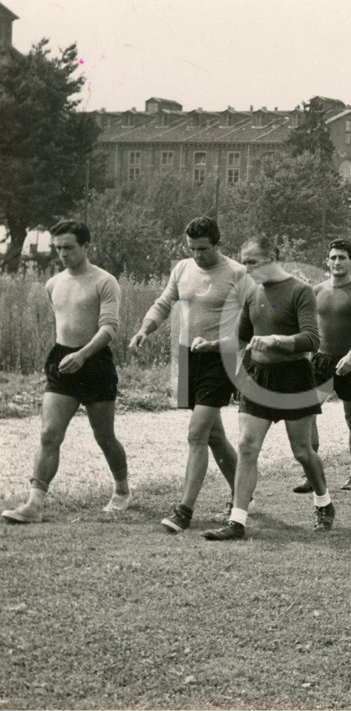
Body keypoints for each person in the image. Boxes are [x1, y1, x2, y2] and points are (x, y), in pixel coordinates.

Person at [202, 236, 332, 540]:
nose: (246, 268)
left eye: (252, 261)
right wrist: (210, 345)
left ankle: (324, 502)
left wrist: (278, 341)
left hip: (295, 379)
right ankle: (237, 521)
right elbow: (242, 338)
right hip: (256, 377)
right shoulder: (251, 293)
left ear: (273, 256)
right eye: (244, 262)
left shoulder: (301, 290)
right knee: (247, 446)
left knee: (302, 451)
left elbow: (312, 339)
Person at [130, 216, 255, 533]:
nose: (197, 255)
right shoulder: (182, 269)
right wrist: (145, 329)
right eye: (192, 248)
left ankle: (183, 511)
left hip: (220, 359)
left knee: (196, 433)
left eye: (203, 249)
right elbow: (164, 302)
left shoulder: (238, 274)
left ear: (217, 243)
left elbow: (254, 320)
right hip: (188, 357)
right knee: (213, 436)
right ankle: (244, 496)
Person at [2, 221, 132, 524]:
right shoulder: (53, 283)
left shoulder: (105, 281)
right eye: (58, 248)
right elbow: (63, 322)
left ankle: (123, 490)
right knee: (49, 434)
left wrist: (83, 354)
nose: (63, 254)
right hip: (62, 361)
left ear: (86, 246)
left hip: (96, 361)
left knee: (104, 436)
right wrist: (68, 355)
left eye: (69, 248)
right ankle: (34, 505)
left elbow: (110, 328)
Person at [292, 238, 351, 493]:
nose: (338, 262)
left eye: (343, 257)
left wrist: (350, 356)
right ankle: (312, 474)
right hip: (320, 361)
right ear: (327, 261)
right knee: (307, 414)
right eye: (334, 257)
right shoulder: (315, 291)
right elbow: (305, 329)